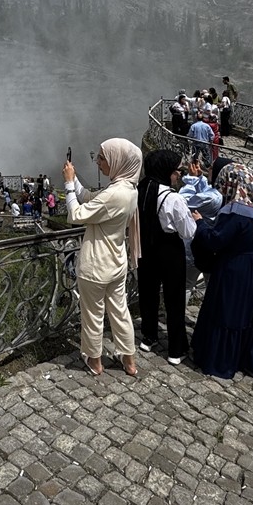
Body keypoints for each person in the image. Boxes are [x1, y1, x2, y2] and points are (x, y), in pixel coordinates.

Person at [191, 161, 253, 378]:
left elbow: (215, 240)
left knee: (228, 314)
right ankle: (252, 361)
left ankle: (223, 362)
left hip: (235, 270)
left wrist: (200, 223)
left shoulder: (236, 210)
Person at [64, 138, 143, 377]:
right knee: (120, 313)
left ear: (118, 161)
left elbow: (77, 213)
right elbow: (91, 197)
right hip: (116, 262)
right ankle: (129, 362)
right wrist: (75, 179)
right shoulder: (128, 188)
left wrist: (68, 185)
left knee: (93, 316)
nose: (98, 162)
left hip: (96, 264)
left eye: (102, 158)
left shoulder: (114, 194)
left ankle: (95, 362)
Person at [137, 149, 197, 364]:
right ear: (166, 171)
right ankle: (175, 348)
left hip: (146, 249)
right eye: (176, 171)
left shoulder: (140, 191)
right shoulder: (173, 198)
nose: (178, 174)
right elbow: (188, 232)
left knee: (148, 294)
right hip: (170, 251)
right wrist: (194, 217)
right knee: (174, 299)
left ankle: (148, 336)